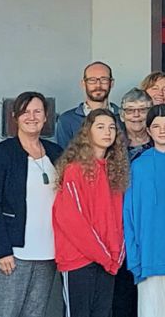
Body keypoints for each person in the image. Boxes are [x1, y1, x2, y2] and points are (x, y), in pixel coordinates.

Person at [0, 92, 65, 317]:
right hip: (14, 252)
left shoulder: (56, 153)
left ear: (46, 116)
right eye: (26, 112)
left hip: (47, 252)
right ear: (15, 117)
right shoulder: (2, 154)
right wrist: (2, 251)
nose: (32, 117)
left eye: (37, 111)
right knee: (5, 312)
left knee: (35, 313)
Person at [52, 108, 130, 317]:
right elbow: (71, 220)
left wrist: (115, 256)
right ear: (88, 132)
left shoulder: (115, 171)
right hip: (79, 260)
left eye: (112, 128)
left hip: (108, 262)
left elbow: (119, 220)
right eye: (101, 127)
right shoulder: (74, 170)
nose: (107, 132)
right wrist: (105, 256)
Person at [123, 104, 165, 317]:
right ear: (149, 130)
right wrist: (134, 260)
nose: (162, 130)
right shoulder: (138, 166)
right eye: (156, 126)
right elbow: (129, 216)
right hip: (149, 258)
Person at [57, 61, 122, 144]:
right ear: (83, 83)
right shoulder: (66, 120)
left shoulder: (123, 117)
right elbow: (63, 155)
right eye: (92, 80)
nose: (98, 85)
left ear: (112, 83)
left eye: (104, 80)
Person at [121, 89, 154, 159]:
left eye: (143, 109)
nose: (136, 115)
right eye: (130, 110)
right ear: (122, 116)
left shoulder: (160, 140)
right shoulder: (114, 145)